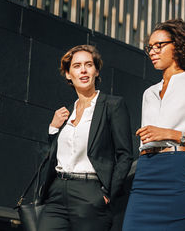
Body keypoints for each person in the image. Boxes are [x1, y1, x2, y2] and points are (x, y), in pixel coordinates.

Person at [122, 19, 185, 231]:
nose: (152, 51)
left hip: (177, 172)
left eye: (159, 45)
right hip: (145, 173)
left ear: (178, 45)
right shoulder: (149, 93)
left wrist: (170, 134)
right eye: (150, 47)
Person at [37, 44, 133, 231]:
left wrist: (108, 193)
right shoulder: (66, 115)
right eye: (76, 65)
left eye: (89, 65)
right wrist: (53, 129)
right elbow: (57, 155)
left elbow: (125, 155)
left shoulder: (112, 105)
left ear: (96, 71)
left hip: (90, 193)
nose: (83, 70)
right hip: (57, 192)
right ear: (67, 74)